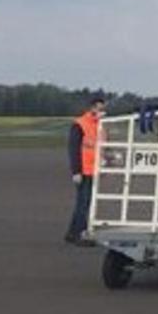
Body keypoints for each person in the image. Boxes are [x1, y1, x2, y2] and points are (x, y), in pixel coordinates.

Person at [64, 98, 105, 245]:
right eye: (99, 109)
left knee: (85, 203)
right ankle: (79, 234)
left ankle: (72, 233)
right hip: (84, 171)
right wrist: (76, 171)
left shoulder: (99, 126)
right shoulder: (80, 124)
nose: (101, 112)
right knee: (83, 203)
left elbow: (101, 147)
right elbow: (73, 149)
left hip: (94, 170)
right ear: (92, 108)